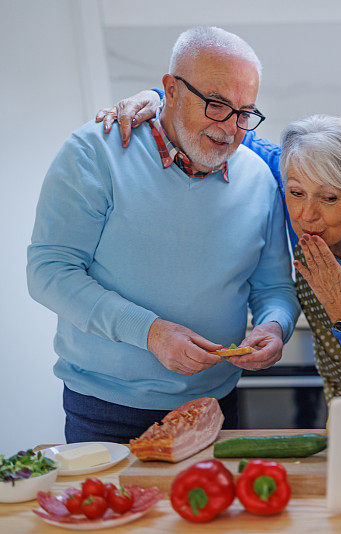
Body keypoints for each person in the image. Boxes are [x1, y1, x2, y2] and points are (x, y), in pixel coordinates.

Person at [99, 109, 341, 444]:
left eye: (329, 199)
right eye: (296, 193)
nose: (307, 216)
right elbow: (230, 129)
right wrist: (157, 101)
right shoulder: (298, 171)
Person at [27, 27, 301, 444]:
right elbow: (49, 272)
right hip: (106, 412)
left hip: (216, 407)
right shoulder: (94, 153)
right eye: (215, 105)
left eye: (244, 112)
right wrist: (150, 332)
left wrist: (275, 326)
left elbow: (275, 286)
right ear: (170, 90)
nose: (230, 128)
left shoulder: (259, 179)